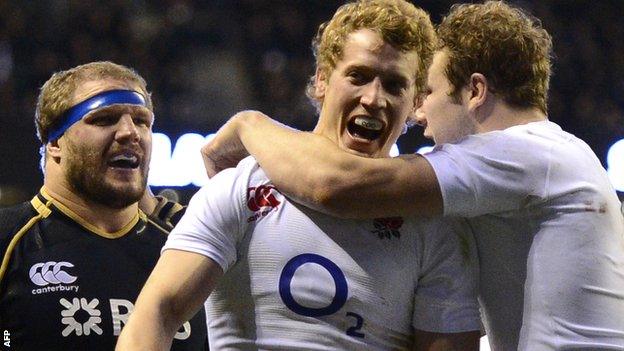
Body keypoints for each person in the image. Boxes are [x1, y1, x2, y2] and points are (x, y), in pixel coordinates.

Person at [199, 1, 624, 350]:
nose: (420, 115)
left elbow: (336, 185)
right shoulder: (550, 159)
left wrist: (248, 125)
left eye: (431, 93)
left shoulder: (524, 153)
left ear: (474, 92)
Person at [117, 1, 481, 350]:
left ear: (416, 103)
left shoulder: (435, 227)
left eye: (393, 85)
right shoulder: (243, 185)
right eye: (359, 76)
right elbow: (157, 313)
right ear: (322, 80)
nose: (373, 98)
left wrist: (249, 122)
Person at [0, 61, 206, 350]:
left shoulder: (187, 251)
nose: (130, 132)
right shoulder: (9, 240)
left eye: (142, 121)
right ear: (55, 142)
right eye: (104, 119)